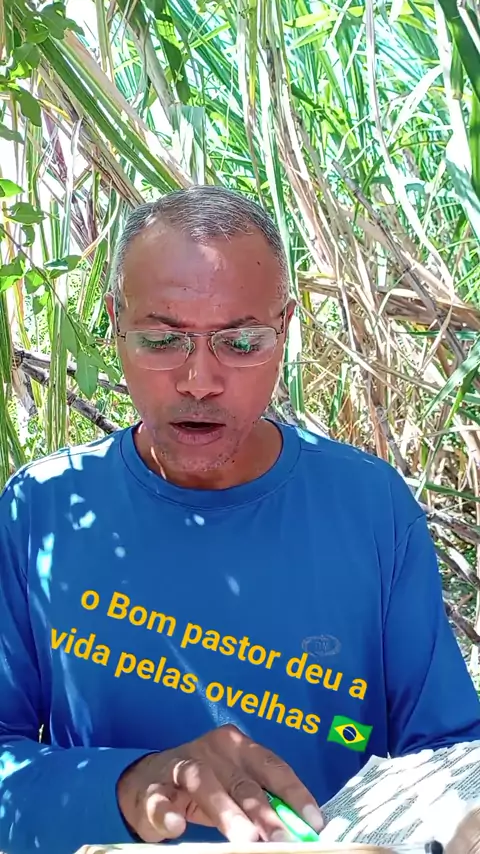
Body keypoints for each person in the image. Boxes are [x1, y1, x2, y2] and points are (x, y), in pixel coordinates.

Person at [0, 186, 479, 854]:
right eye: (162, 339)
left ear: (284, 329)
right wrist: (133, 786)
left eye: (242, 341)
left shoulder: (368, 506)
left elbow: (448, 750)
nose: (199, 380)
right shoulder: (42, 510)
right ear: (116, 323)